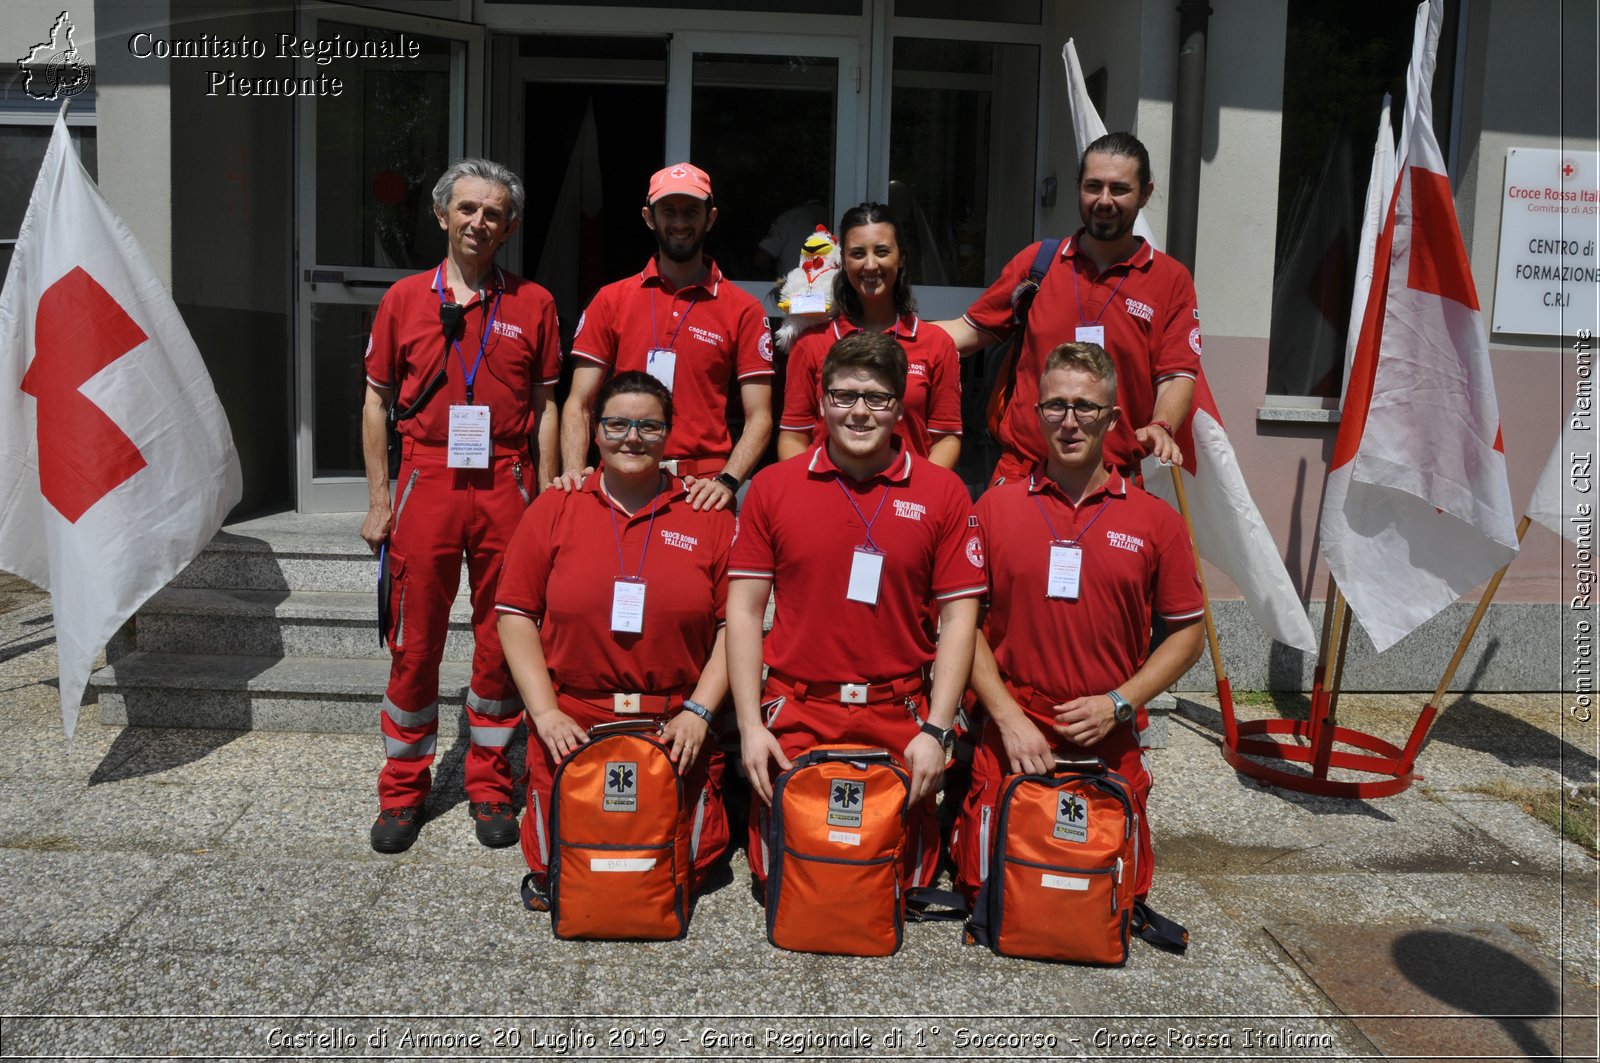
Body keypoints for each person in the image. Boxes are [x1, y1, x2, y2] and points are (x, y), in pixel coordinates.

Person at [727, 330, 985, 896]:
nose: (859, 412)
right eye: (844, 396)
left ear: (900, 406)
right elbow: (744, 611)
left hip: (899, 716)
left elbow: (960, 618)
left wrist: (937, 730)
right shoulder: (771, 488)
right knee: (788, 877)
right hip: (798, 713)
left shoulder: (943, 493)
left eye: (877, 398)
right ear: (821, 402)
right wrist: (748, 725)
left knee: (893, 880)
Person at [953, 341, 1205, 906]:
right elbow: (962, 622)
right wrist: (1008, 717)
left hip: (1106, 734)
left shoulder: (1155, 521)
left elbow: (1188, 634)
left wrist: (1119, 701)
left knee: (1104, 896)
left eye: (1085, 408)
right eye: (1055, 407)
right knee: (993, 888)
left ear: (1113, 418)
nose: (1069, 422)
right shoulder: (993, 509)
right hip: (1015, 730)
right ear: (1036, 415)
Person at [361, 158, 562, 854]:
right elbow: (376, 402)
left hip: (507, 481)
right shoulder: (403, 299)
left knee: (502, 637)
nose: (480, 221)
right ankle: (402, 788)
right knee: (414, 641)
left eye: (494, 212)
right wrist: (379, 499)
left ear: (509, 226)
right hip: (428, 479)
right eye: (468, 208)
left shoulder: (533, 302)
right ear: (442, 215)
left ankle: (488, 780)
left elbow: (546, 406)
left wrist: (554, 494)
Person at [497, 371, 733, 907]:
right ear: (595, 430)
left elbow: (733, 628)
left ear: (670, 434)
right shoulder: (556, 507)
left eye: (649, 426)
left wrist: (699, 712)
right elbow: (514, 615)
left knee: (679, 862)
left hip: (673, 724)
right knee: (572, 858)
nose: (633, 437)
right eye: (618, 423)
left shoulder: (707, 515)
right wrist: (545, 713)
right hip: (575, 721)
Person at [934, 132, 1201, 486]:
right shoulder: (1037, 265)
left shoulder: (1170, 280)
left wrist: (1161, 424)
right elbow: (966, 332)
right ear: (1079, 187)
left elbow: (1177, 374)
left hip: (1112, 485)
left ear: (1145, 193)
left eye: (1119, 188)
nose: (1104, 200)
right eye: (1093, 186)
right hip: (1023, 476)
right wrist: (883, 335)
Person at [557, 163, 773, 511]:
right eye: (668, 211)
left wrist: (729, 481)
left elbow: (760, 416)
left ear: (711, 218)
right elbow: (579, 403)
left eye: (691, 211)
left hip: (703, 490)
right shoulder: (611, 299)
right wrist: (573, 471)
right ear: (649, 217)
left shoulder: (743, 309)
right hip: (620, 478)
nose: (680, 222)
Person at [777, 202, 963, 470]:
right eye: (858, 253)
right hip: (830, 500)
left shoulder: (937, 344)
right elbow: (794, 436)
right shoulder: (811, 344)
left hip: (906, 503)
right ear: (843, 261)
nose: (871, 265)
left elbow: (946, 438)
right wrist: (815, 493)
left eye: (882, 251)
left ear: (901, 258)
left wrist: (921, 496)